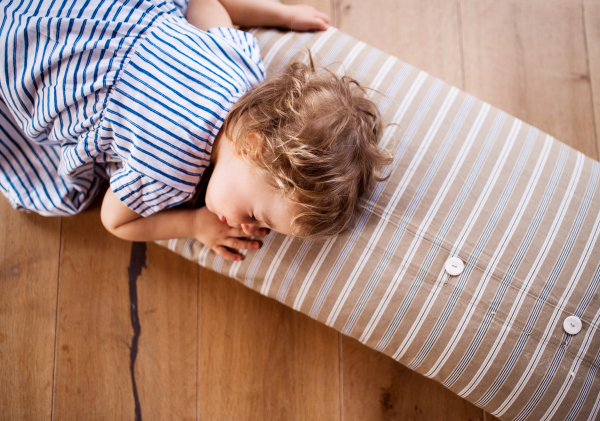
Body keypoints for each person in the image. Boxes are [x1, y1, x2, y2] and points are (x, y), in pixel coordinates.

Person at [0, 0, 391, 261]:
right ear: (251, 144)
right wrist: (194, 224)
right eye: (258, 215)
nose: (249, 228)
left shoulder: (240, 64)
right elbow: (115, 221)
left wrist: (278, 14)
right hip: (26, 55)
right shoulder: (168, 174)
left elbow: (204, 3)